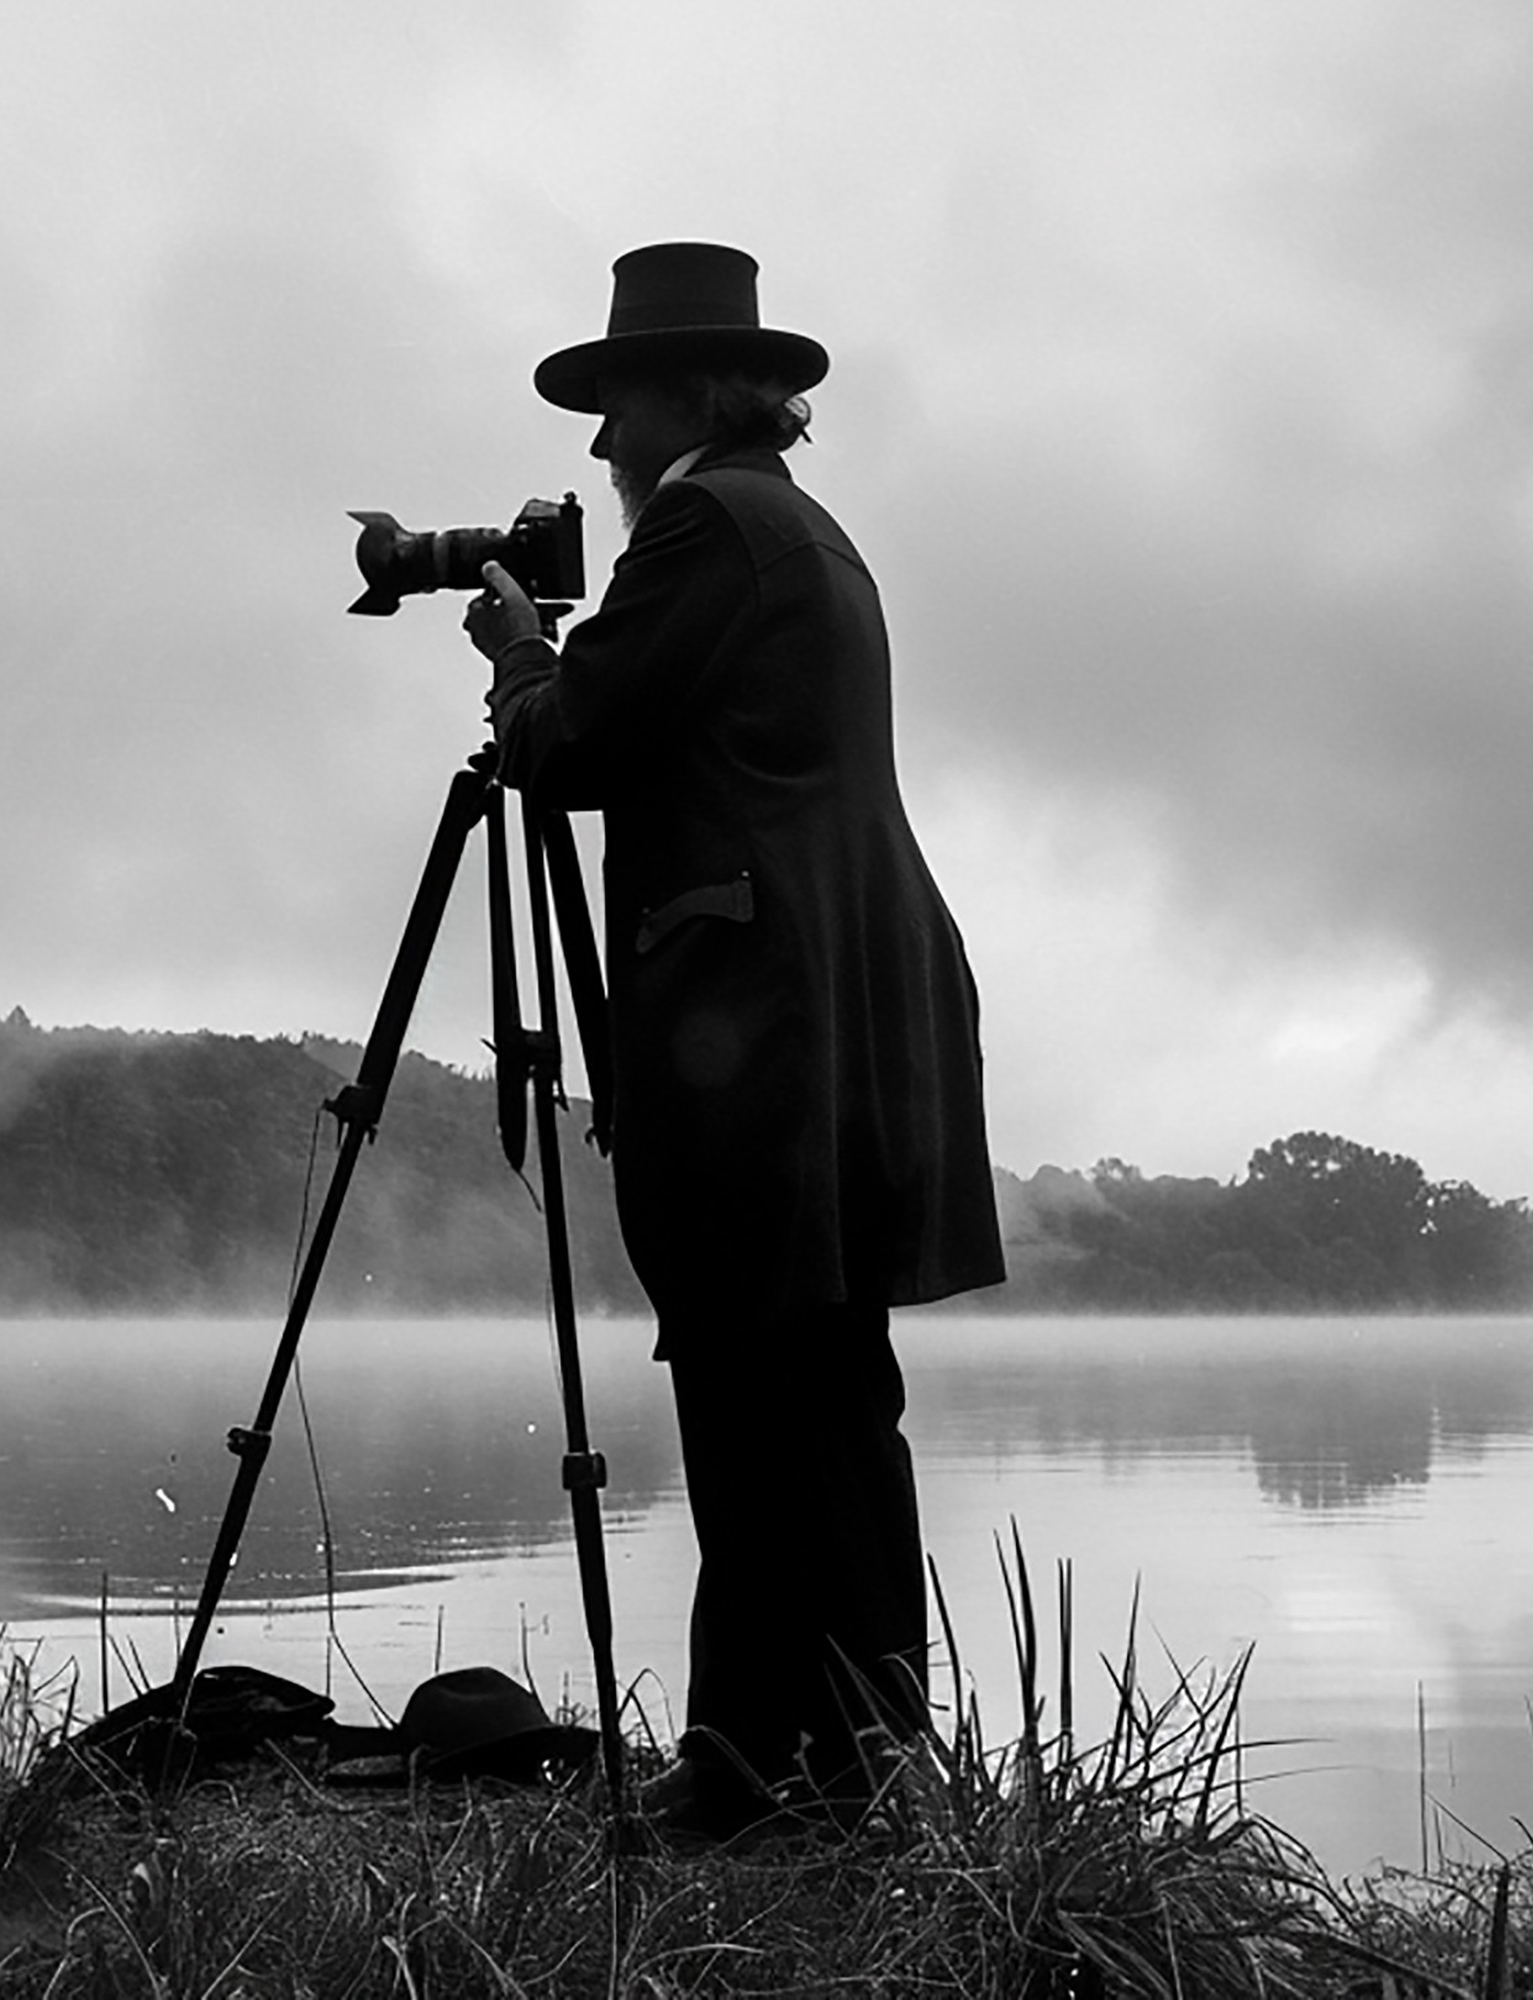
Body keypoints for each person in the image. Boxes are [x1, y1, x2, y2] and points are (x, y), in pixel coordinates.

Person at [462, 241, 1004, 1840]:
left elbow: (579, 749)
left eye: (615, 402)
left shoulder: (703, 519)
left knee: (759, 1397)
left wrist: (517, 661)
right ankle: (852, 1756)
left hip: (758, 1027)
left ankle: (750, 1769)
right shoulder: (811, 531)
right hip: (847, 1008)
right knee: (827, 1399)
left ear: (694, 392)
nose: (599, 446)